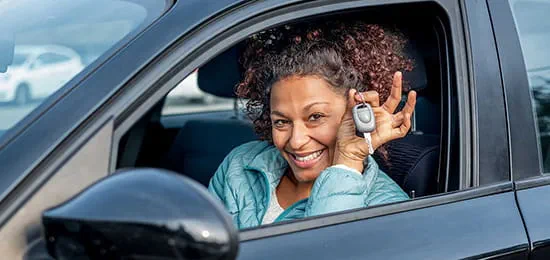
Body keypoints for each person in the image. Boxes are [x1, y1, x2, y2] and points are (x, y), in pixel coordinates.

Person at [208, 20, 417, 229]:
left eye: (315, 117)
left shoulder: (388, 208)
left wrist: (348, 161)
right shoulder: (240, 165)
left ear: (355, 114)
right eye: (281, 121)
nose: (297, 141)